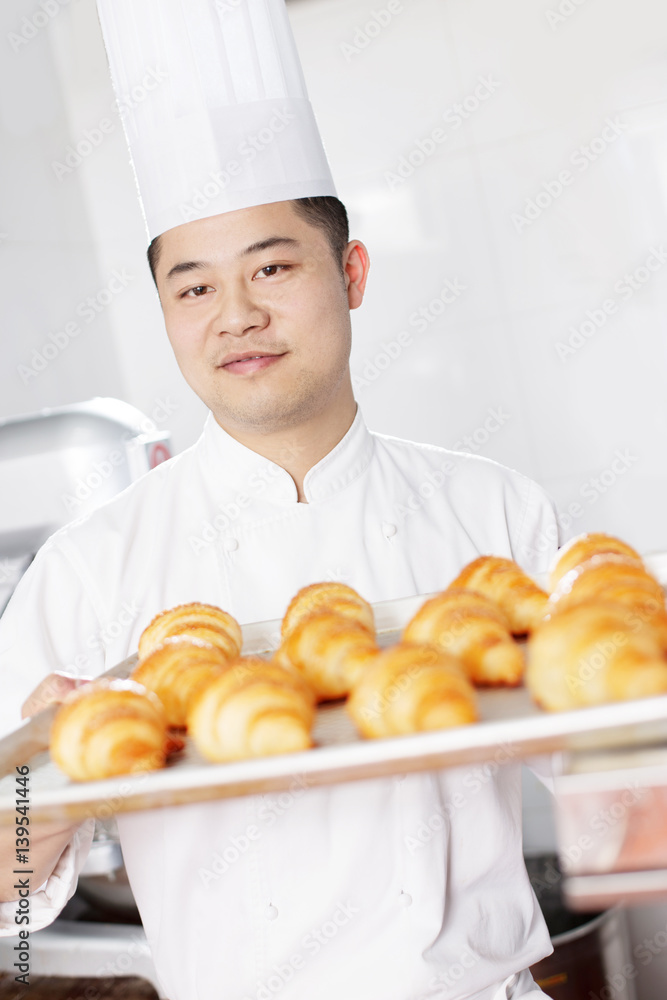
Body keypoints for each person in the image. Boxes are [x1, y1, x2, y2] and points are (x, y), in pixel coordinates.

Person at [0, 2, 559, 997]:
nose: (239, 315)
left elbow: (614, 769)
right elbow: (10, 906)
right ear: (168, 314)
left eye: (270, 266)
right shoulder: (89, 566)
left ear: (350, 274)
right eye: (195, 288)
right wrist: (30, 784)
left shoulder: (496, 516)